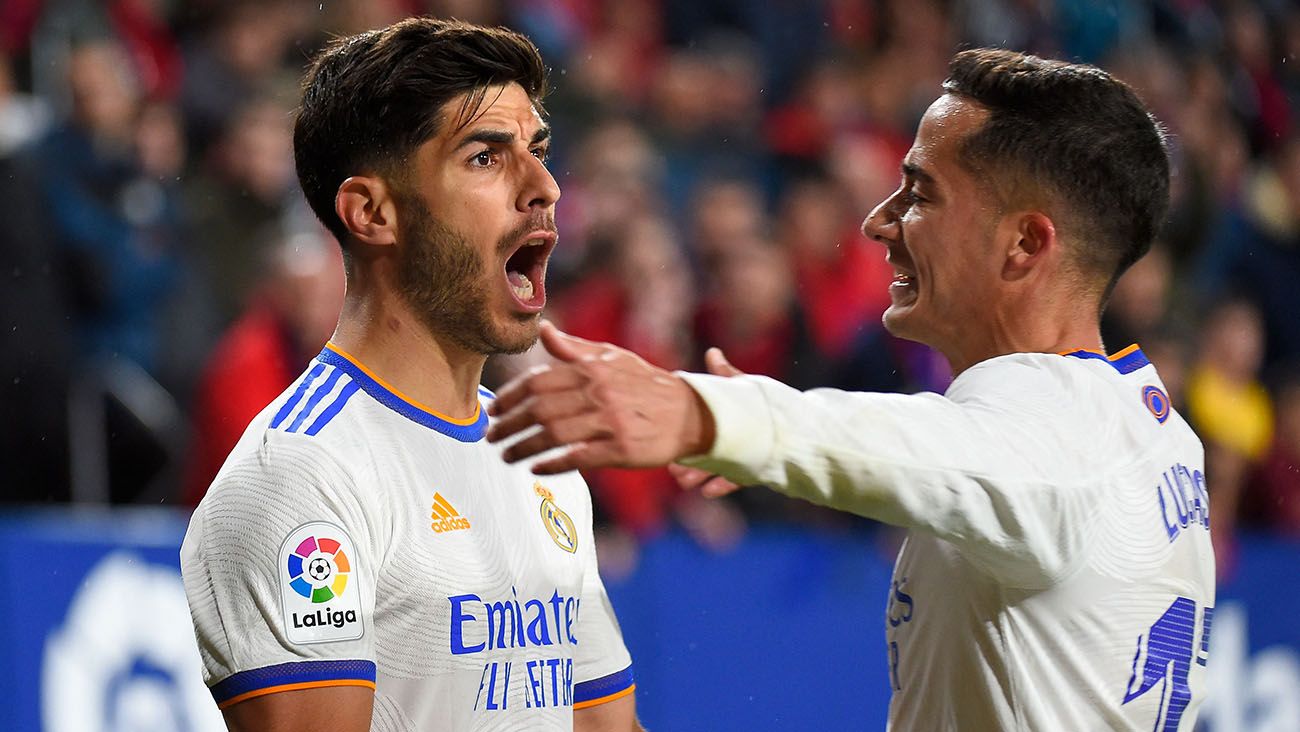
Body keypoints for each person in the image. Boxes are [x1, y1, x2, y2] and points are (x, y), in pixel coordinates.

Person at [488, 48, 1216, 730]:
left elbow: (932, 448)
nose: (878, 222)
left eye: (919, 194)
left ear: (1025, 244)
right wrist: (752, 441)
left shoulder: (1055, 430)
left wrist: (705, 414)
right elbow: (953, 460)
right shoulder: (1141, 425)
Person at [180, 18, 639, 732]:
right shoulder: (301, 474)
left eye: (539, 150)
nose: (545, 186)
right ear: (371, 213)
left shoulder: (542, 461)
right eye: (486, 157)